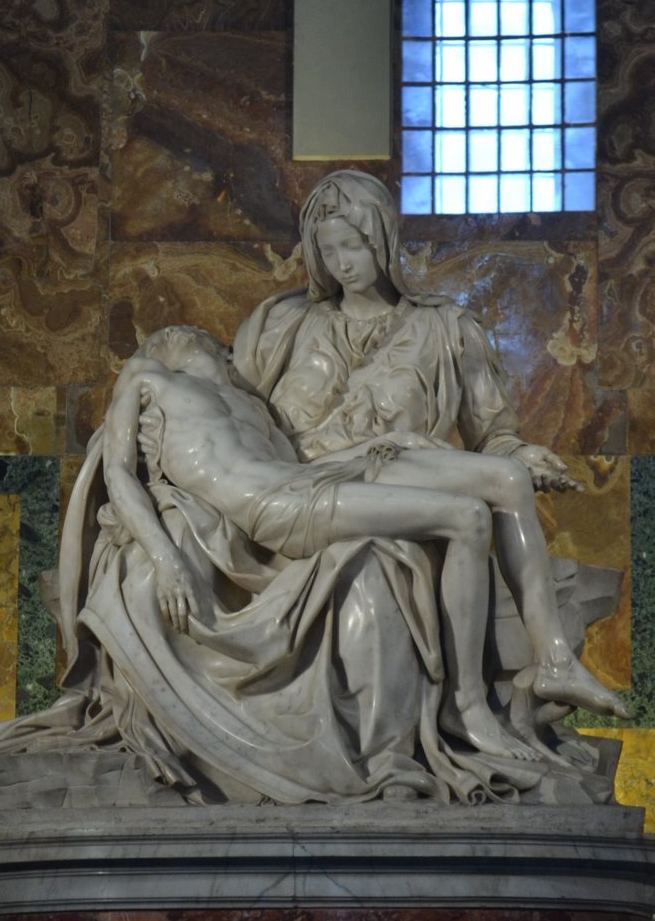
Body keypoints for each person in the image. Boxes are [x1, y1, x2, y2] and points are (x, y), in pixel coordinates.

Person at [233, 169, 630, 724]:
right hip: (305, 487)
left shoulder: (446, 329)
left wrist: (518, 453)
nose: (342, 263)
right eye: (327, 249)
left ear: (385, 242)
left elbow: (491, 432)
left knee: (509, 477)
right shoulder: (283, 325)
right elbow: (228, 410)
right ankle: (529, 674)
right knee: (486, 492)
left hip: (393, 474)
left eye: (353, 245)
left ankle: (553, 660)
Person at [104, 323, 552, 761]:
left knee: (494, 488)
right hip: (275, 509)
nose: (232, 359)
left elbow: (295, 467)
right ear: (187, 345)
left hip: (301, 487)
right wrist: (166, 559)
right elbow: (118, 472)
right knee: (466, 517)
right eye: (222, 351)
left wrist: (385, 443)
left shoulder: (250, 406)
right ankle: (466, 707)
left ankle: (546, 665)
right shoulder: (146, 375)